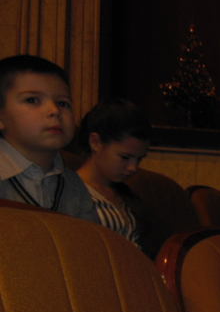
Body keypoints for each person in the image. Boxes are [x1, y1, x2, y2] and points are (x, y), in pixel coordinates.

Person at [0, 55, 97, 222]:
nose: (54, 110)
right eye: (32, 100)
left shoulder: (75, 186)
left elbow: (88, 237)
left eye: (62, 103)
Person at [77, 98, 158, 258]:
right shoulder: (72, 193)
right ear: (95, 142)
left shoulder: (125, 194)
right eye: (125, 157)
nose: (133, 167)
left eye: (139, 159)